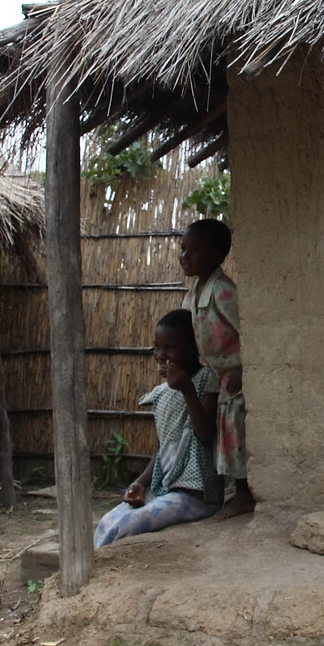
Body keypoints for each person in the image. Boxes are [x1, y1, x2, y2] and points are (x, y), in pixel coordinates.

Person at [93, 310, 222, 548]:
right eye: (156, 347)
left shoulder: (207, 379)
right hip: (165, 490)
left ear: (192, 348)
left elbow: (205, 433)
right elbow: (166, 448)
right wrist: (141, 483)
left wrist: (187, 389)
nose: (161, 355)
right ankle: (90, 575)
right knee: (106, 523)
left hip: (197, 495)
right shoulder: (163, 392)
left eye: (170, 348)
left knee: (128, 525)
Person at [179, 218, 256, 519]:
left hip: (236, 375)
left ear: (216, 256)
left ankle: (245, 494)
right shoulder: (196, 290)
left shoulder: (223, 291)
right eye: (183, 249)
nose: (184, 256)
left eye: (194, 250)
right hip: (217, 376)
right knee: (224, 435)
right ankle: (233, 492)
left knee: (236, 432)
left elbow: (249, 332)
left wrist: (246, 367)